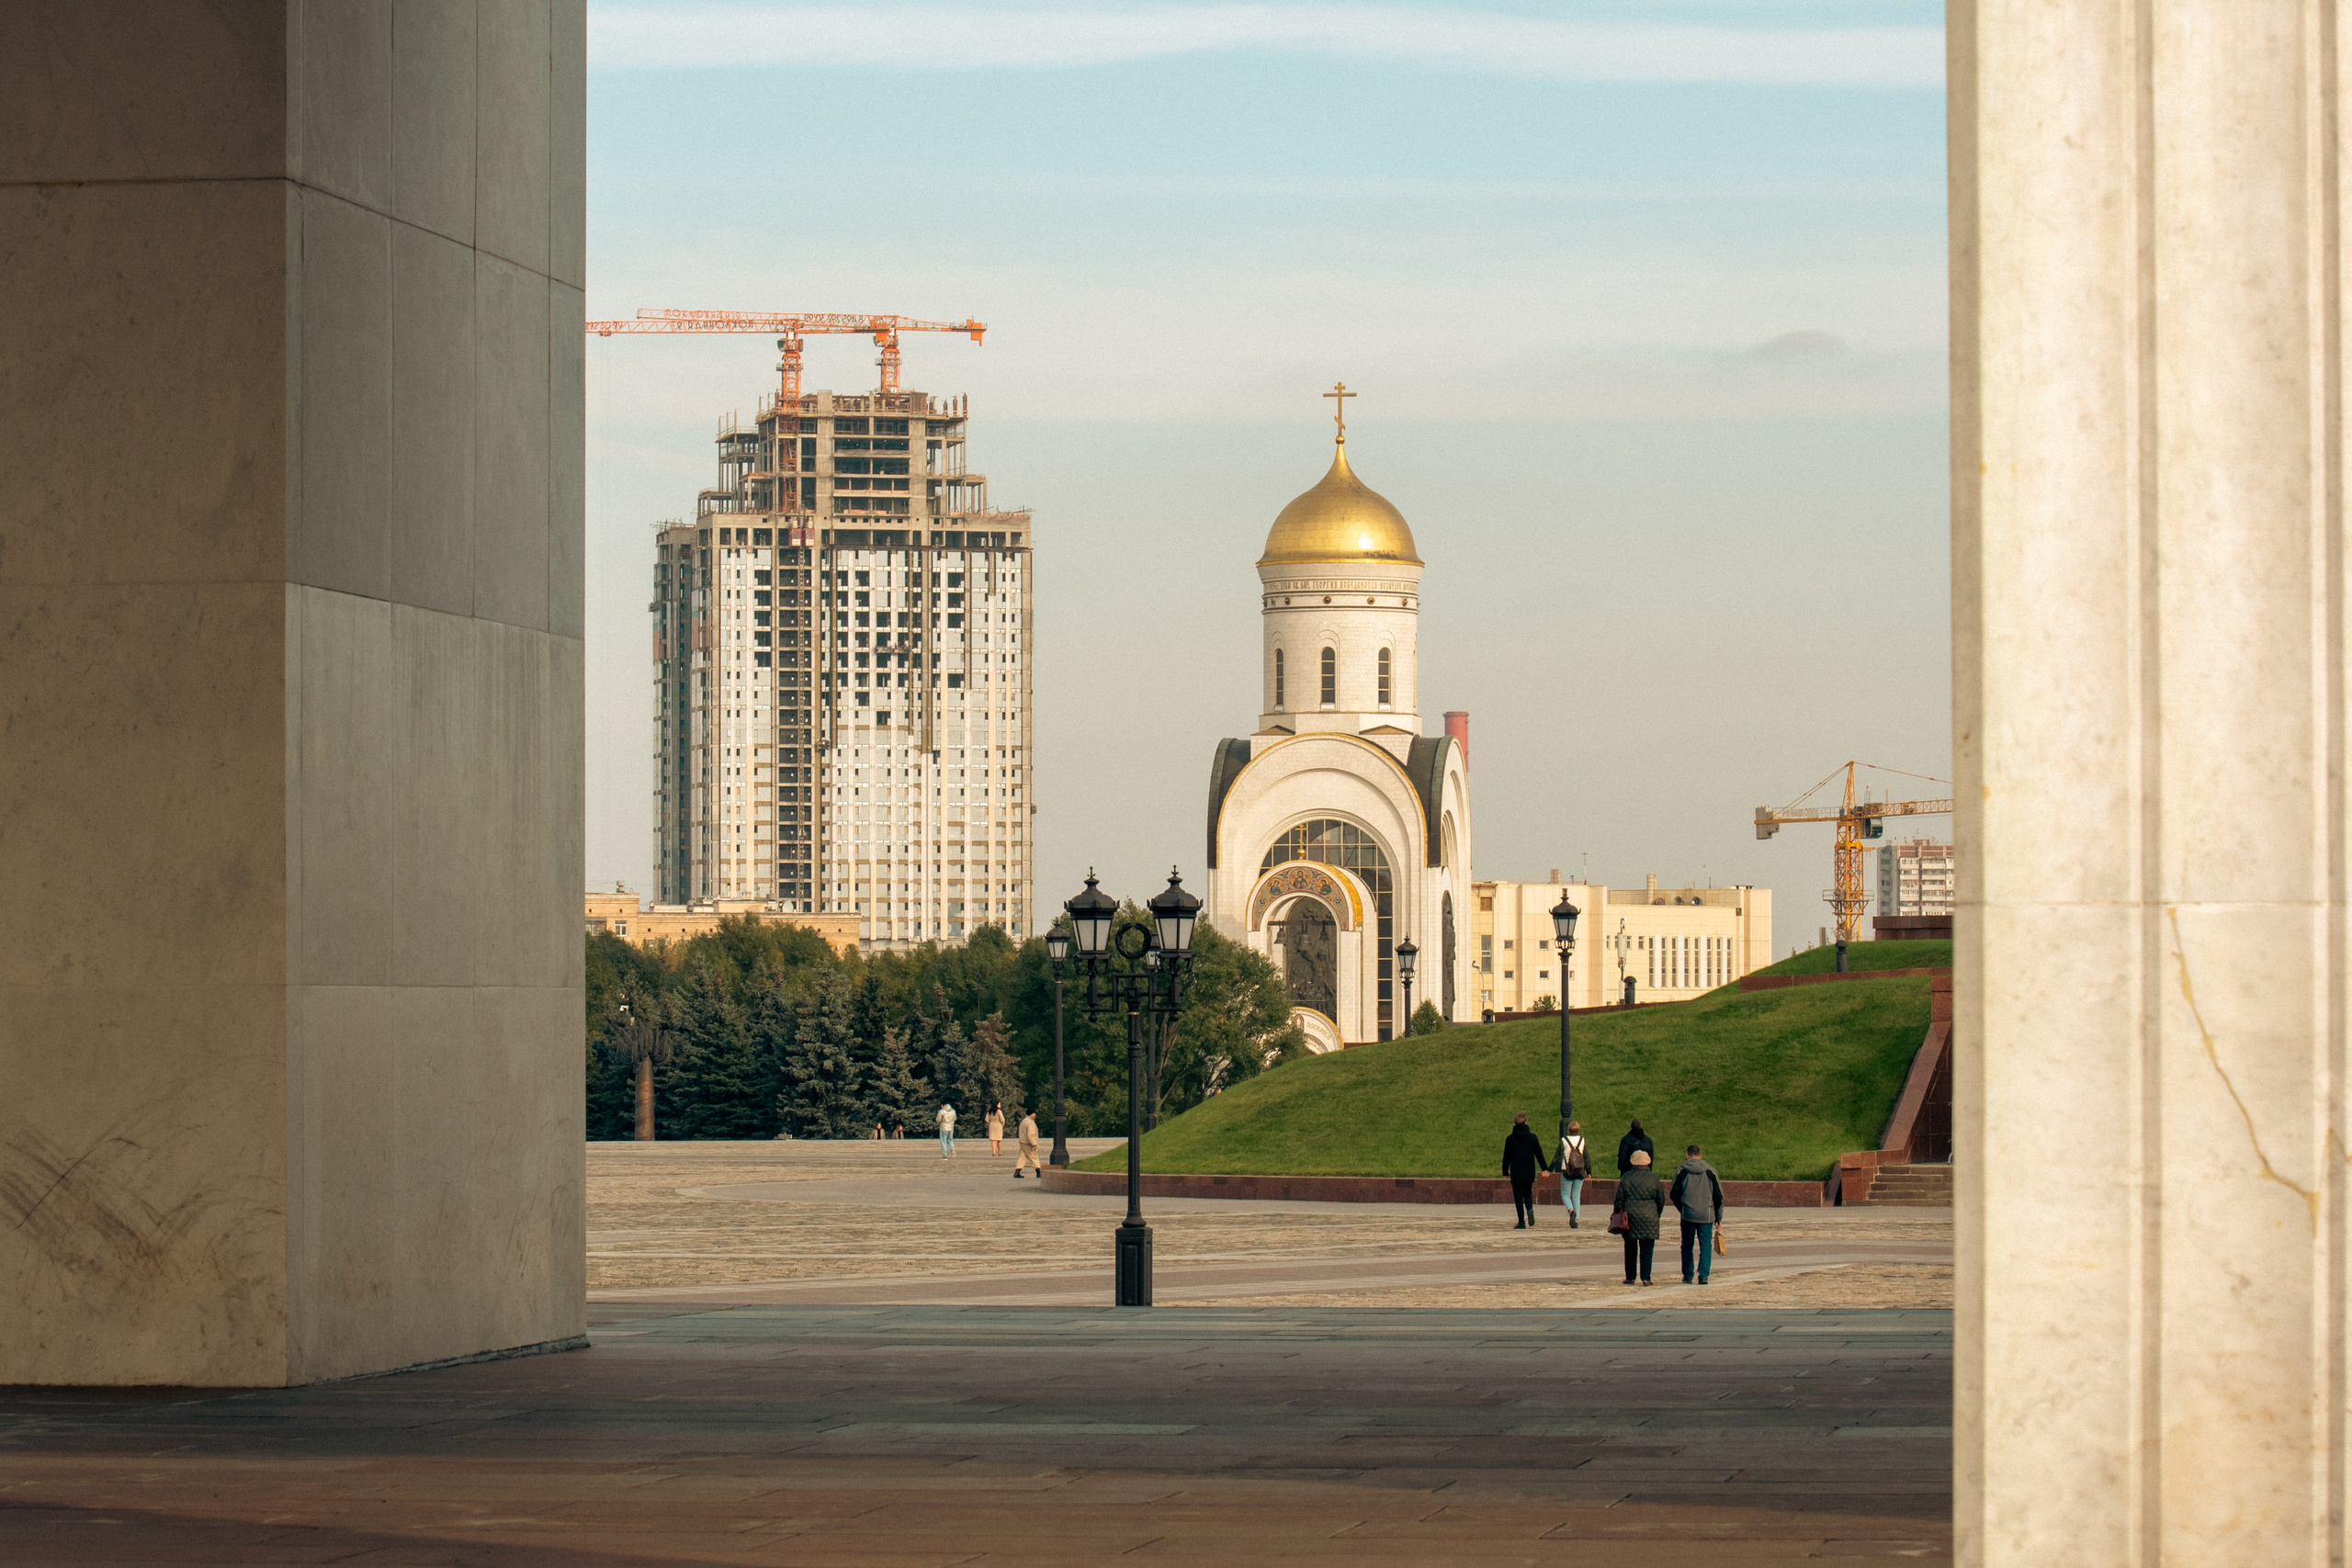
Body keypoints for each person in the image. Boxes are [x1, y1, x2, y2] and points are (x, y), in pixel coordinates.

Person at [1671, 1143, 1724, 1285]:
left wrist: (1682, 1208)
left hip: (1688, 1214)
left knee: (1687, 1245)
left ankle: (1688, 1275)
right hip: (1706, 1214)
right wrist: (1718, 1217)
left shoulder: (1681, 1171)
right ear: (1700, 1156)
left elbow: (1674, 1194)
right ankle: (1703, 1275)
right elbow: (1718, 1196)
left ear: (1687, 1156)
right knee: (1705, 1245)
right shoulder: (1710, 1172)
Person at [1611, 1148, 1665, 1285]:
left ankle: (1630, 1277)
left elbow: (1619, 1199)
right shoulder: (1654, 1178)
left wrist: (1617, 1212)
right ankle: (1646, 1278)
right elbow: (1661, 1200)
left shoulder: (1626, 1177)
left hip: (1630, 1217)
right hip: (1650, 1216)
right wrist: (1656, 1213)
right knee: (1647, 1249)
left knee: (1630, 1248)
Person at [1500, 1112, 1550, 1229]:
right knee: (1528, 1192)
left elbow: (1506, 1156)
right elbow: (1539, 1154)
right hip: (1529, 1171)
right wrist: (1544, 1168)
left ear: (1515, 1123)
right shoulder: (1532, 1137)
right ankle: (1530, 1209)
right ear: (1526, 1122)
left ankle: (1521, 1222)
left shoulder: (1510, 1139)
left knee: (1518, 1196)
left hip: (1516, 1172)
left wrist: (1505, 1172)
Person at [1557, 1120, 1589, 1228]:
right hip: (1580, 1171)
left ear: (1568, 1130)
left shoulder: (1564, 1140)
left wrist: (1548, 1169)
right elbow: (1586, 1157)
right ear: (1578, 1130)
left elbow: (1557, 1155)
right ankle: (1576, 1220)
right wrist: (1589, 1172)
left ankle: (1571, 1210)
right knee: (1576, 1195)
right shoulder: (1582, 1140)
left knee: (1565, 1194)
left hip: (1567, 1170)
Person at [1014, 1108, 1042, 1179]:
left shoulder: (1024, 1121)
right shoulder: (1030, 1123)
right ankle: (1038, 1171)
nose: (1035, 1115)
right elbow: (1031, 1134)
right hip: (1028, 1143)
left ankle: (1017, 1171)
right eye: (1034, 1113)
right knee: (1033, 1156)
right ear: (1031, 1114)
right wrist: (1034, 1144)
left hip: (1022, 1142)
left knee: (1022, 1157)